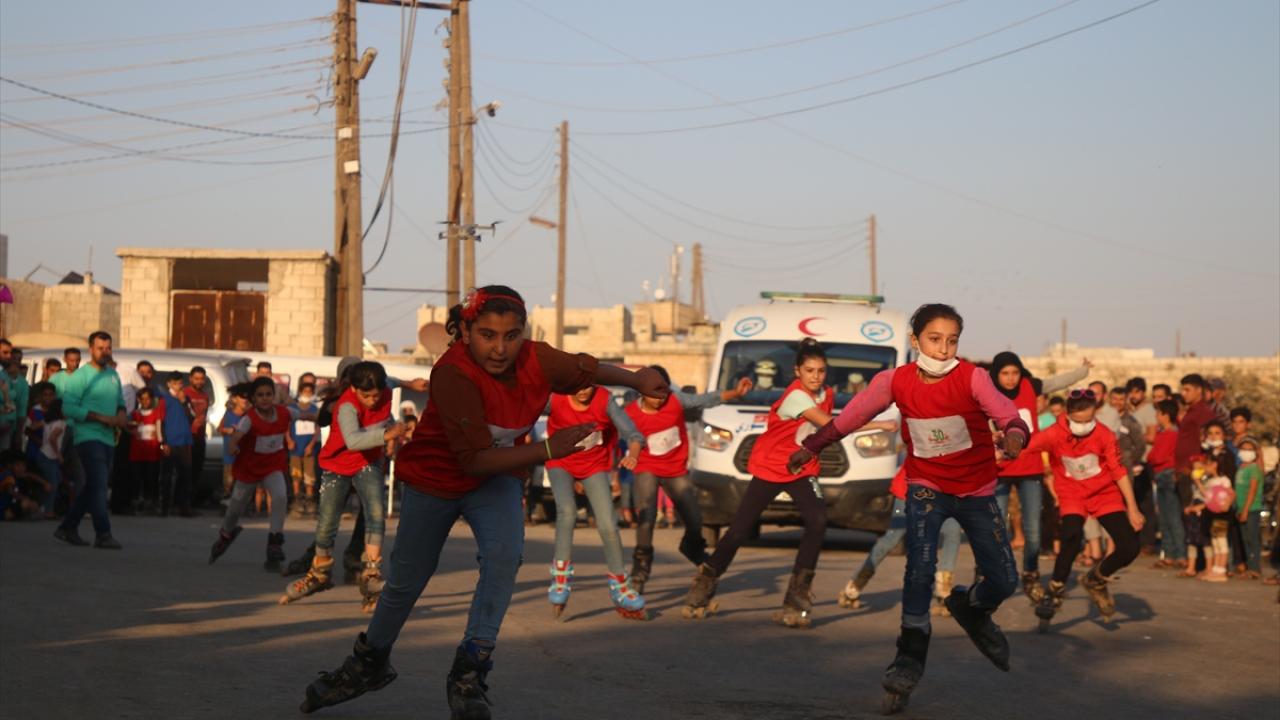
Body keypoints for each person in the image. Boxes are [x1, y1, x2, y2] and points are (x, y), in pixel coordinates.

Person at [296, 285, 668, 719]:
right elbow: (473, 459)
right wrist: (550, 449)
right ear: (466, 332)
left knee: (504, 558)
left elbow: (587, 369)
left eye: (511, 335)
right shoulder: (452, 372)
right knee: (407, 580)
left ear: (523, 333)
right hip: (437, 477)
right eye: (487, 335)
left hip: (497, 477)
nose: (500, 348)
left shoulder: (537, 358)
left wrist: (638, 379)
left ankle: (469, 672)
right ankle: (368, 663)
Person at [790, 304, 1029, 713]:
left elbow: (1009, 415)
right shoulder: (894, 381)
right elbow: (851, 417)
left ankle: (971, 608)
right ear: (915, 340)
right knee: (919, 568)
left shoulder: (973, 377)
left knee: (1005, 580)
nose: (944, 349)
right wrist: (811, 446)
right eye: (934, 340)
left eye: (952, 341)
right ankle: (908, 658)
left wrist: (1014, 435)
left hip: (975, 490)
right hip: (926, 487)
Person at [682, 338, 892, 627]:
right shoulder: (796, 397)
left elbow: (833, 422)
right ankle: (702, 586)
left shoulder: (827, 393)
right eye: (809, 371)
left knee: (817, 521)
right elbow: (831, 426)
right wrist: (879, 424)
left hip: (803, 469)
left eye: (821, 371)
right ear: (797, 371)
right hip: (772, 467)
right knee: (739, 531)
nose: (816, 377)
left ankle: (797, 599)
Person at [280, 362, 404, 613]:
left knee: (376, 514)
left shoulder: (385, 387)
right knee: (327, 522)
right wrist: (387, 435)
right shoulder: (346, 405)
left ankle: (371, 573)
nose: (372, 401)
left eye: (376, 395)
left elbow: (393, 380)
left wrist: (414, 384)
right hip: (337, 466)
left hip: (367, 463)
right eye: (366, 396)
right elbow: (354, 440)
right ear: (354, 388)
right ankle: (320, 572)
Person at [625, 366, 752, 596]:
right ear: (641, 391)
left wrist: (735, 393)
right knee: (647, 515)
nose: (660, 398)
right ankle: (640, 568)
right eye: (654, 393)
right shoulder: (631, 413)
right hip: (646, 467)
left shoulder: (676, 400)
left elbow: (704, 400)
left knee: (694, 517)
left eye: (664, 392)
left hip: (674, 470)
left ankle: (691, 547)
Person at [1023, 389, 1143, 630]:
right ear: (1067, 414)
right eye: (1078, 421)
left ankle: (1096, 579)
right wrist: (999, 450)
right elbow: (1023, 446)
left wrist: (1133, 508)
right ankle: (1055, 590)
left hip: (1104, 494)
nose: (1084, 426)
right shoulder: (1054, 433)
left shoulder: (1104, 435)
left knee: (1130, 546)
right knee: (1071, 535)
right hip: (1072, 494)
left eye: (1088, 420)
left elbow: (1118, 471)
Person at [986, 351, 1092, 604]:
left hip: (1030, 467)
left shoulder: (1030, 386)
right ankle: (991, 574)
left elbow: (1058, 381)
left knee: (1033, 529)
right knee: (996, 527)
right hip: (999, 469)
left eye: (1015, 372)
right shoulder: (987, 392)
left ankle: (1030, 575)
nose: (1011, 378)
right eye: (1005, 373)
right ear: (996, 375)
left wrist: (1083, 371)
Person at [544, 383, 647, 621]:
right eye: (577, 385)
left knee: (609, 524)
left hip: (593, 465)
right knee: (567, 511)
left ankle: (620, 586)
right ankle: (560, 577)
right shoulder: (556, 398)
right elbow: (523, 410)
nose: (582, 391)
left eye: (588, 386)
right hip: (560, 461)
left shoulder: (604, 400)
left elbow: (632, 433)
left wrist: (633, 455)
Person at [208, 376, 293, 571]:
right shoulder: (249, 419)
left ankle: (275, 542)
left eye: (268, 394)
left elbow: (307, 416)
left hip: (272, 467)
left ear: (274, 396)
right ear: (254, 398)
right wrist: (233, 447)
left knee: (280, 496)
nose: (265, 398)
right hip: (249, 470)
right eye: (260, 395)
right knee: (235, 509)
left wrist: (326, 414)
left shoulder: (284, 412)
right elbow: (235, 437)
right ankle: (225, 535)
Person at [53, 331, 126, 550]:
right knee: (99, 485)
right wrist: (100, 417)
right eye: (100, 348)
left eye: (108, 348)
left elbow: (121, 402)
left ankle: (67, 527)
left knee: (94, 485)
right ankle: (103, 533)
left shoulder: (113, 375)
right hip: (87, 437)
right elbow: (68, 408)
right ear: (91, 350)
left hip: (109, 438)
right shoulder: (80, 376)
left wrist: (121, 415)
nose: (105, 352)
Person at [1148, 400, 1184, 567]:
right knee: (1164, 518)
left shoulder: (1171, 434)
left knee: (1173, 516)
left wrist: (1152, 456)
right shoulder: (1162, 433)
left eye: (1159, 413)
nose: (1156, 416)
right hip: (1160, 475)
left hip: (1167, 474)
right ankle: (1169, 554)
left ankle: (1180, 554)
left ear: (1166, 415)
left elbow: (1157, 456)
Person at [1192, 451, 1236, 583]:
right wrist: (1197, 482)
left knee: (1221, 541)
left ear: (1215, 465)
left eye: (1207, 464)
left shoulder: (1224, 480)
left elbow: (1232, 494)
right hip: (1212, 514)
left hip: (1222, 515)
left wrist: (1227, 503)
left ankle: (1221, 570)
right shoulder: (1211, 481)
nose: (1205, 468)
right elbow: (1207, 495)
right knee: (1215, 541)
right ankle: (1215, 569)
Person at [160, 372, 195, 517]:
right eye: (175, 383)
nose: (178, 386)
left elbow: (192, 416)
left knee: (185, 475)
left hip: (184, 441)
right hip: (170, 442)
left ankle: (182, 507)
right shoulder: (164, 399)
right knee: (167, 476)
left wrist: (184, 402)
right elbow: (160, 422)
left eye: (180, 383)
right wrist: (163, 442)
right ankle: (164, 507)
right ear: (169, 384)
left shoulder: (186, 398)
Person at [128, 387, 165, 513]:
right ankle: (136, 501)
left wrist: (162, 446)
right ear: (139, 400)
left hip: (152, 453)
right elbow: (130, 430)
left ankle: (151, 502)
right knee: (136, 479)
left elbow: (159, 434)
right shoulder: (134, 414)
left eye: (147, 399)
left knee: (152, 478)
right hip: (136, 453)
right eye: (142, 399)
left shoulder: (156, 414)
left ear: (151, 399)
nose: (145, 401)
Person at [287, 381, 321, 519]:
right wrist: (289, 440)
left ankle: (310, 501)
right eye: (305, 391)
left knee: (309, 476)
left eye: (310, 392)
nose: (307, 394)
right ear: (300, 392)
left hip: (309, 449)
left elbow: (318, 428)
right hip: (295, 447)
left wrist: (311, 445)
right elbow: (286, 426)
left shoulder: (314, 409)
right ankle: (297, 502)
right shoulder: (292, 408)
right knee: (296, 475)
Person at [1233, 437, 1264, 580]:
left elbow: (1252, 491)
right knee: (1245, 539)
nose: (1246, 452)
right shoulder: (1240, 468)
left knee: (1252, 539)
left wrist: (1245, 510)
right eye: (1243, 449)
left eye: (1249, 450)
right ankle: (1249, 567)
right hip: (1240, 508)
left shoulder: (1254, 469)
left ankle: (1255, 568)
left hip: (1251, 509)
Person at [183, 366, 212, 504]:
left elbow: (204, 415)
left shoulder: (205, 396)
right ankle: (183, 502)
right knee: (186, 471)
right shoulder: (185, 393)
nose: (199, 381)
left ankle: (192, 502)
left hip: (200, 438)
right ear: (190, 379)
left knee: (197, 470)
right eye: (196, 378)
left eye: (202, 379)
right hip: (187, 438)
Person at [218, 385, 250, 501]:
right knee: (229, 480)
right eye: (242, 397)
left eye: (247, 397)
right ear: (235, 399)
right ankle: (227, 500)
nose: (245, 400)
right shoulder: (229, 414)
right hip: (230, 456)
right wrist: (227, 430)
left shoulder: (249, 415)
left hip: (244, 455)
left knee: (243, 482)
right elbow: (220, 429)